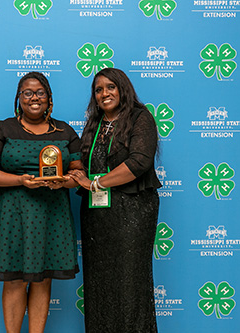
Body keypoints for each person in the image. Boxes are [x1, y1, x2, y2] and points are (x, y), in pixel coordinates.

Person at [0, 72, 82, 333]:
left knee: (43, 279)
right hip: (14, 211)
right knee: (13, 280)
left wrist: (65, 182)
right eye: (27, 92)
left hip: (52, 213)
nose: (34, 98)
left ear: (49, 99)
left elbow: (79, 173)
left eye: (40, 93)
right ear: (18, 98)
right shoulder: (4, 128)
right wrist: (19, 180)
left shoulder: (65, 130)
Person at [69, 67, 162, 333]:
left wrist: (96, 183)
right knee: (99, 282)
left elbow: (139, 162)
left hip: (133, 211)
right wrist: (67, 178)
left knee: (130, 282)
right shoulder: (95, 124)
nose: (104, 93)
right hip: (98, 215)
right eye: (98, 90)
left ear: (123, 88)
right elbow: (85, 168)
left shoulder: (140, 117)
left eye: (110, 87)